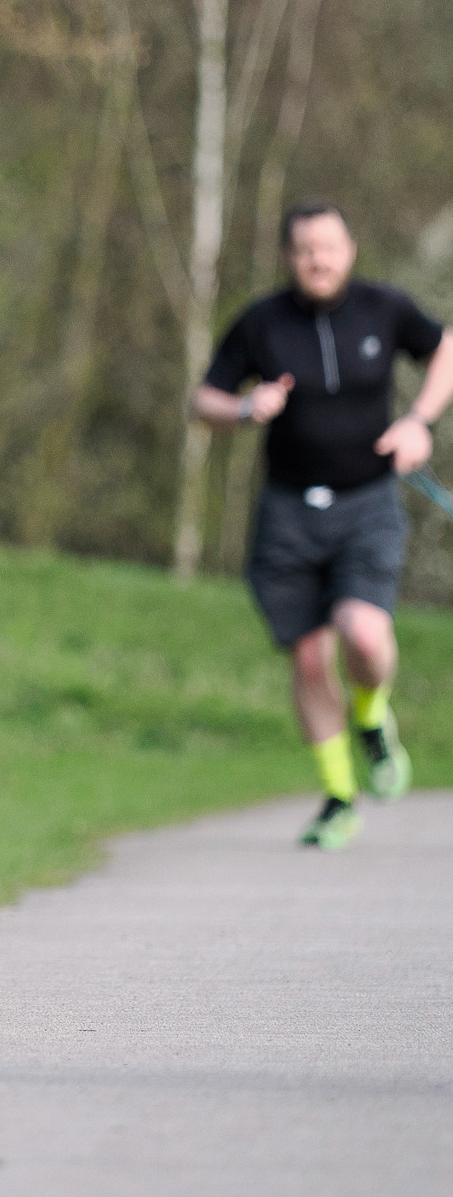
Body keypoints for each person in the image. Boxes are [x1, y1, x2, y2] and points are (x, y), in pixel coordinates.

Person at [191, 201, 453, 848]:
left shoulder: (384, 308)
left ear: (350, 250)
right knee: (310, 659)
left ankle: (371, 717)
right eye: (306, 249)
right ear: (289, 257)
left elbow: (445, 348)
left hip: (368, 505)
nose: (319, 260)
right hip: (287, 514)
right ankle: (339, 798)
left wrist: (419, 421)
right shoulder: (261, 323)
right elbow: (203, 400)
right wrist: (246, 407)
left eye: (330, 247)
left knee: (364, 633)